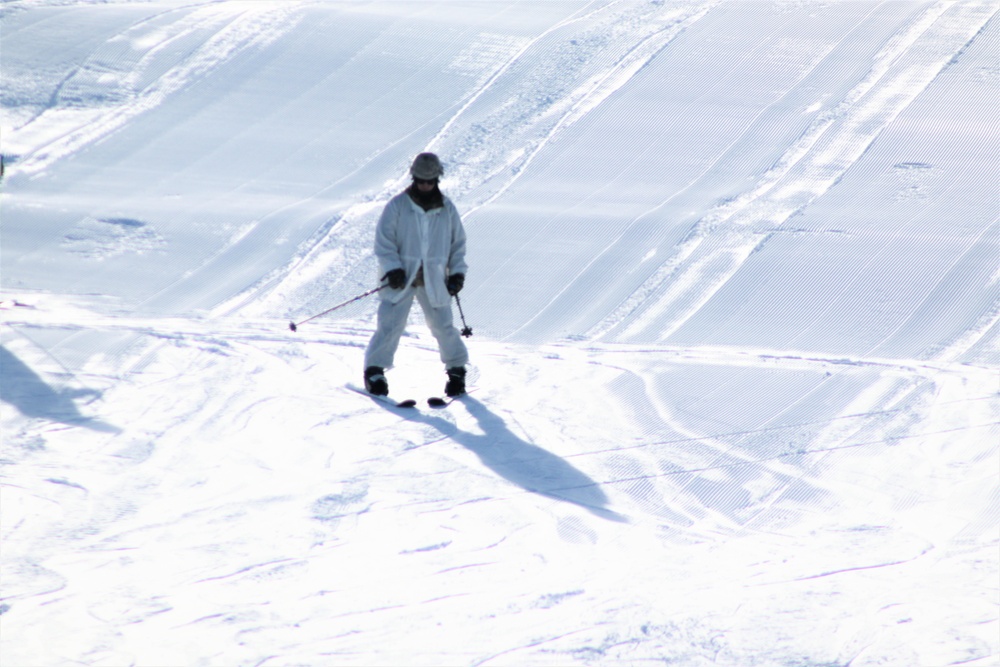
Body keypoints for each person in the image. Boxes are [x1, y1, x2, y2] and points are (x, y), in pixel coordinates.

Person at [363, 152, 469, 398]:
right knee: (390, 325)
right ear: (414, 178)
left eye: (429, 181)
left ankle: (456, 371)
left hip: (434, 279)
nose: (424, 185)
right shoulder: (398, 206)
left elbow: (458, 245)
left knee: (443, 326)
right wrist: (393, 268)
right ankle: (375, 371)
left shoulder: (447, 209)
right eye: (420, 180)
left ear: (437, 181)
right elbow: (384, 242)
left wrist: (457, 274)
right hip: (402, 278)